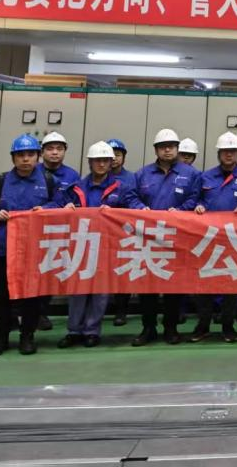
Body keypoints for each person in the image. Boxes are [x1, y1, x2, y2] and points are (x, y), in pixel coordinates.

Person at [53, 141, 138, 349]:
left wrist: (123, 212)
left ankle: (92, 331)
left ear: (111, 163)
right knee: (78, 290)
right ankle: (74, 331)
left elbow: (135, 207)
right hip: (80, 246)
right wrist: (64, 207)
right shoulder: (76, 188)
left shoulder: (121, 189)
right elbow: (55, 206)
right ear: (90, 162)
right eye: (97, 160)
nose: (101, 164)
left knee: (100, 292)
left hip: (107, 248)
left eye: (105, 161)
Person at [0, 134, 57, 357]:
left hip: (35, 249)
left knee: (31, 296)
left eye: (30, 154)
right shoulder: (1, 181)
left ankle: (27, 337)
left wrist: (46, 209)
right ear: (13, 158)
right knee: (2, 296)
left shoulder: (48, 180)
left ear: (38, 157)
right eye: (21, 155)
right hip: (4, 249)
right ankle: (1, 338)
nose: (25, 159)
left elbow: (60, 204)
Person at [129, 128, 202, 346]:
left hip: (177, 239)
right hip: (148, 239)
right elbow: (130, 196)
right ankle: (148, 328)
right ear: (156, 150)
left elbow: (196, 198)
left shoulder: (191, 174)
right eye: (163, 147)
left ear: (177, 149)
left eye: (171, 146)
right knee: (147, 288)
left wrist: (181, 211)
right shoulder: (142, 174)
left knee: (174, 287)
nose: (167, 150)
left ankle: (171, 328)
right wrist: (140, 208)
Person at [188, 132, 237, 344]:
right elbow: (195, 199)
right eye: (225, 151)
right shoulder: (205, 177)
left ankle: (228, 326)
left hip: (233, 241)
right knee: (204, 286)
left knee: (231, 287)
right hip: (208, 240)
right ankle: (203, 325)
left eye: (232, 151)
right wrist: (198, 206)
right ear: (219, 153)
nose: (229, 155)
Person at [38, 131, 80, 330]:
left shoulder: (72, 175)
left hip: (58, 233)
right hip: (34, 231)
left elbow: (77, 201)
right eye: (50, 149)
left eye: (59, 149)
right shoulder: (32, 172)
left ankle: (41, 313)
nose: (55, 153)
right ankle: (12, 315)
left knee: (48, 272)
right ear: (42, 152)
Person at [107, 137, 136, 327]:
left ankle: (121, 310)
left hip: (125, 233)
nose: (114, 159)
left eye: (117, 155)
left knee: (123, 270)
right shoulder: (95, 178)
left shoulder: (132, 178)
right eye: (110, 155)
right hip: (103, 233)